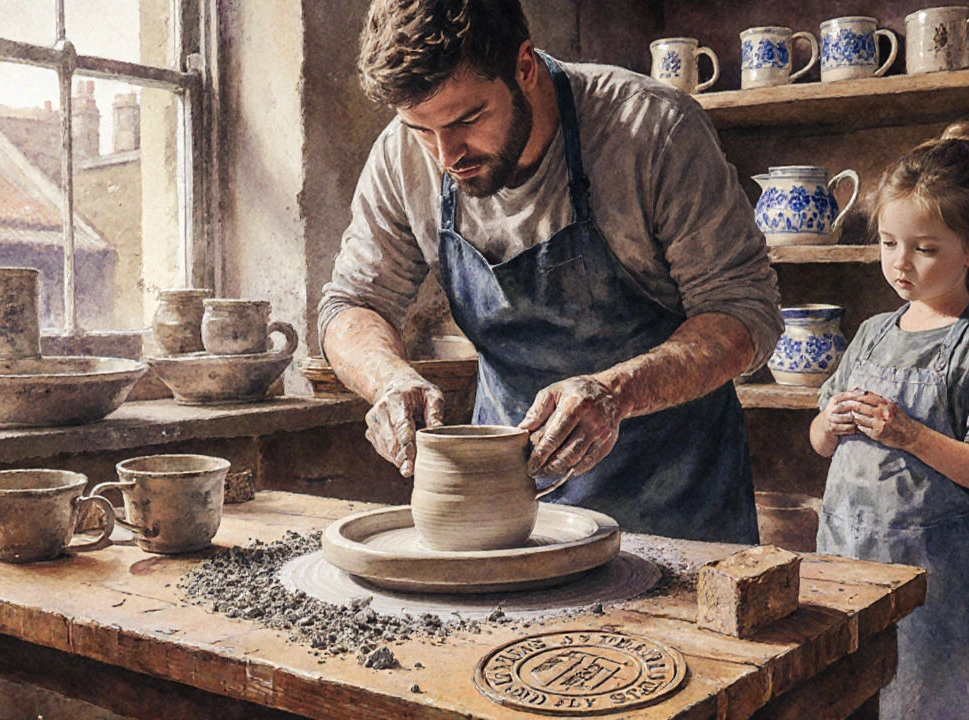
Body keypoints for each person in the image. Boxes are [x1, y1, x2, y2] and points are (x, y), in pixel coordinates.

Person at [319, 0, 783, 542]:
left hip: (678, 501)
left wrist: (617, 392)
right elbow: (352, 304)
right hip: (512, 508)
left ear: (524, 65)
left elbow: (743, 312)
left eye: (467, 119)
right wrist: (388, 381)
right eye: (421, 128)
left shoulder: (651, 129)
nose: (446, 154)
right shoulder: (403, 157)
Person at [810, 123, 969, 720]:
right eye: (888, 243)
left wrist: (906, 432)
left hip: (935, 580)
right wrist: (829, 421)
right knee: (849, 697)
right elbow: (821, 443)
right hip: (846, 557)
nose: (900, 263)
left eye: (924, 248)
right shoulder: (871, 333)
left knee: (929, 705)